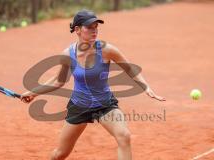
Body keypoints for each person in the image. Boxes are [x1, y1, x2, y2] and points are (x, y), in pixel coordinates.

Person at [21, 9, 165, 160]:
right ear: (77, 30)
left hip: (104, 104)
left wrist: (145, 87)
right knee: (60, 154)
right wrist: (34, 92)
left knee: (124, 136)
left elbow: (130, 69)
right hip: (80, 106)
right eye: (89, 27)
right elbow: (59, 80)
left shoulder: (106, 50)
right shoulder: (68, 54)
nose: (94, 31)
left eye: (96, 27)